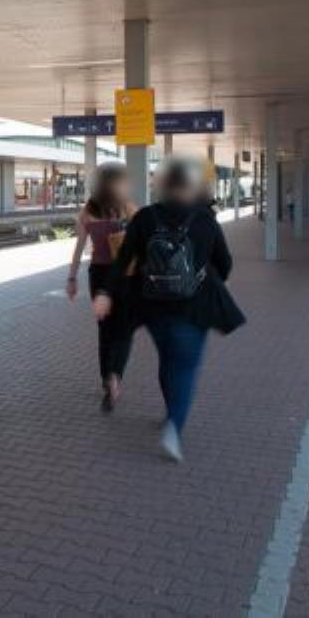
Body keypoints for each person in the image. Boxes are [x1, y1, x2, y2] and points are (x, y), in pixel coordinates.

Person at [94, 158, 245, 461]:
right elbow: (225, 264)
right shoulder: (205, 219)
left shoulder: (145, 217)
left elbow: (123, 261)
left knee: (167, 358)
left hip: (153, 308)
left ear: (163, 185)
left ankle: (169, 412)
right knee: (185, 368)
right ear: (191, 186)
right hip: (194, 309)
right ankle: (173, 428)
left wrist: (105, 292)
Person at [66, 162, 137, 412]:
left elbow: (79, 248)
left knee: (105, 330)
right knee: (125, 329)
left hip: (98, 275)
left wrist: (72, 278)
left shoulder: (88, 211)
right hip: (125, 276)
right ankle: (116, 374)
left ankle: (107, 380)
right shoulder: (127, 208)